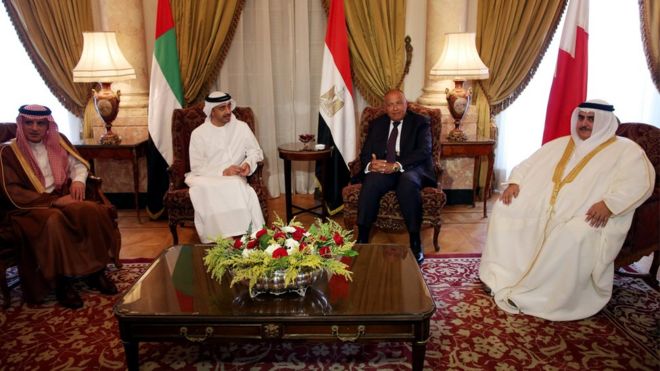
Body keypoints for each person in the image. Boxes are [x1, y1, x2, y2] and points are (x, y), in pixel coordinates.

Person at [479, 99, 655, 321]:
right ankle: (501, 276)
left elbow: (640, 183)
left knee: (570, 235)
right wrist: (515, 182)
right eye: (581, 117)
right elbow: (528, 164)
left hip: (593, 215)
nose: (584, 123)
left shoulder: (626, 150)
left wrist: (610, 204)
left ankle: (541, 295)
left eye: (591, 119)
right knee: (506, 209)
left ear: (604, 122)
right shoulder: (562, 143)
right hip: (546, 207)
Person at [0, 104, 120, 309]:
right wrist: (52, 202)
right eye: (29, 122)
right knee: (54, 221)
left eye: (40, 123)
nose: (35, 128)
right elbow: (12, 192)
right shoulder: (8, 152)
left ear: (49, 125)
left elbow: (78, 164)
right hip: (28, 208)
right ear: (22, 124)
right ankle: (61, 282)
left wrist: (78, 181)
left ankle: (96, 272)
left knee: (91, 211)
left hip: (60, 197)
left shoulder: (58, 140)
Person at [355, 89, 436, 265]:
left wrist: (397, 165)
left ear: (406, 103)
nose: (395, 108)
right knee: (371, 180)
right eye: (390, 104)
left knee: (407, 182)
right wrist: (372, 164)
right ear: (385, 107)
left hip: (411, 167)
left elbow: (424, 151)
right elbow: (365, 153)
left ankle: (415, 240)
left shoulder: (420, 122)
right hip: (385, 167)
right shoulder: (377, 123)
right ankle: (362, 238)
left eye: (398, 103)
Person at [186, 91, 265, 242]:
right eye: (222, 108)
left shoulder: (241, 127)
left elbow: (255, 152)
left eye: (229, 106)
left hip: (235, 177)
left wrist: (248, 164)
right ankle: (225, 238)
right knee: (209, 189)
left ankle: (243, 237)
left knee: (235, 184)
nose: (228, 111)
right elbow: (196, 167)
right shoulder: (198, 134)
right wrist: (222, 171)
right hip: (206, 177)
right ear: (212, 111)